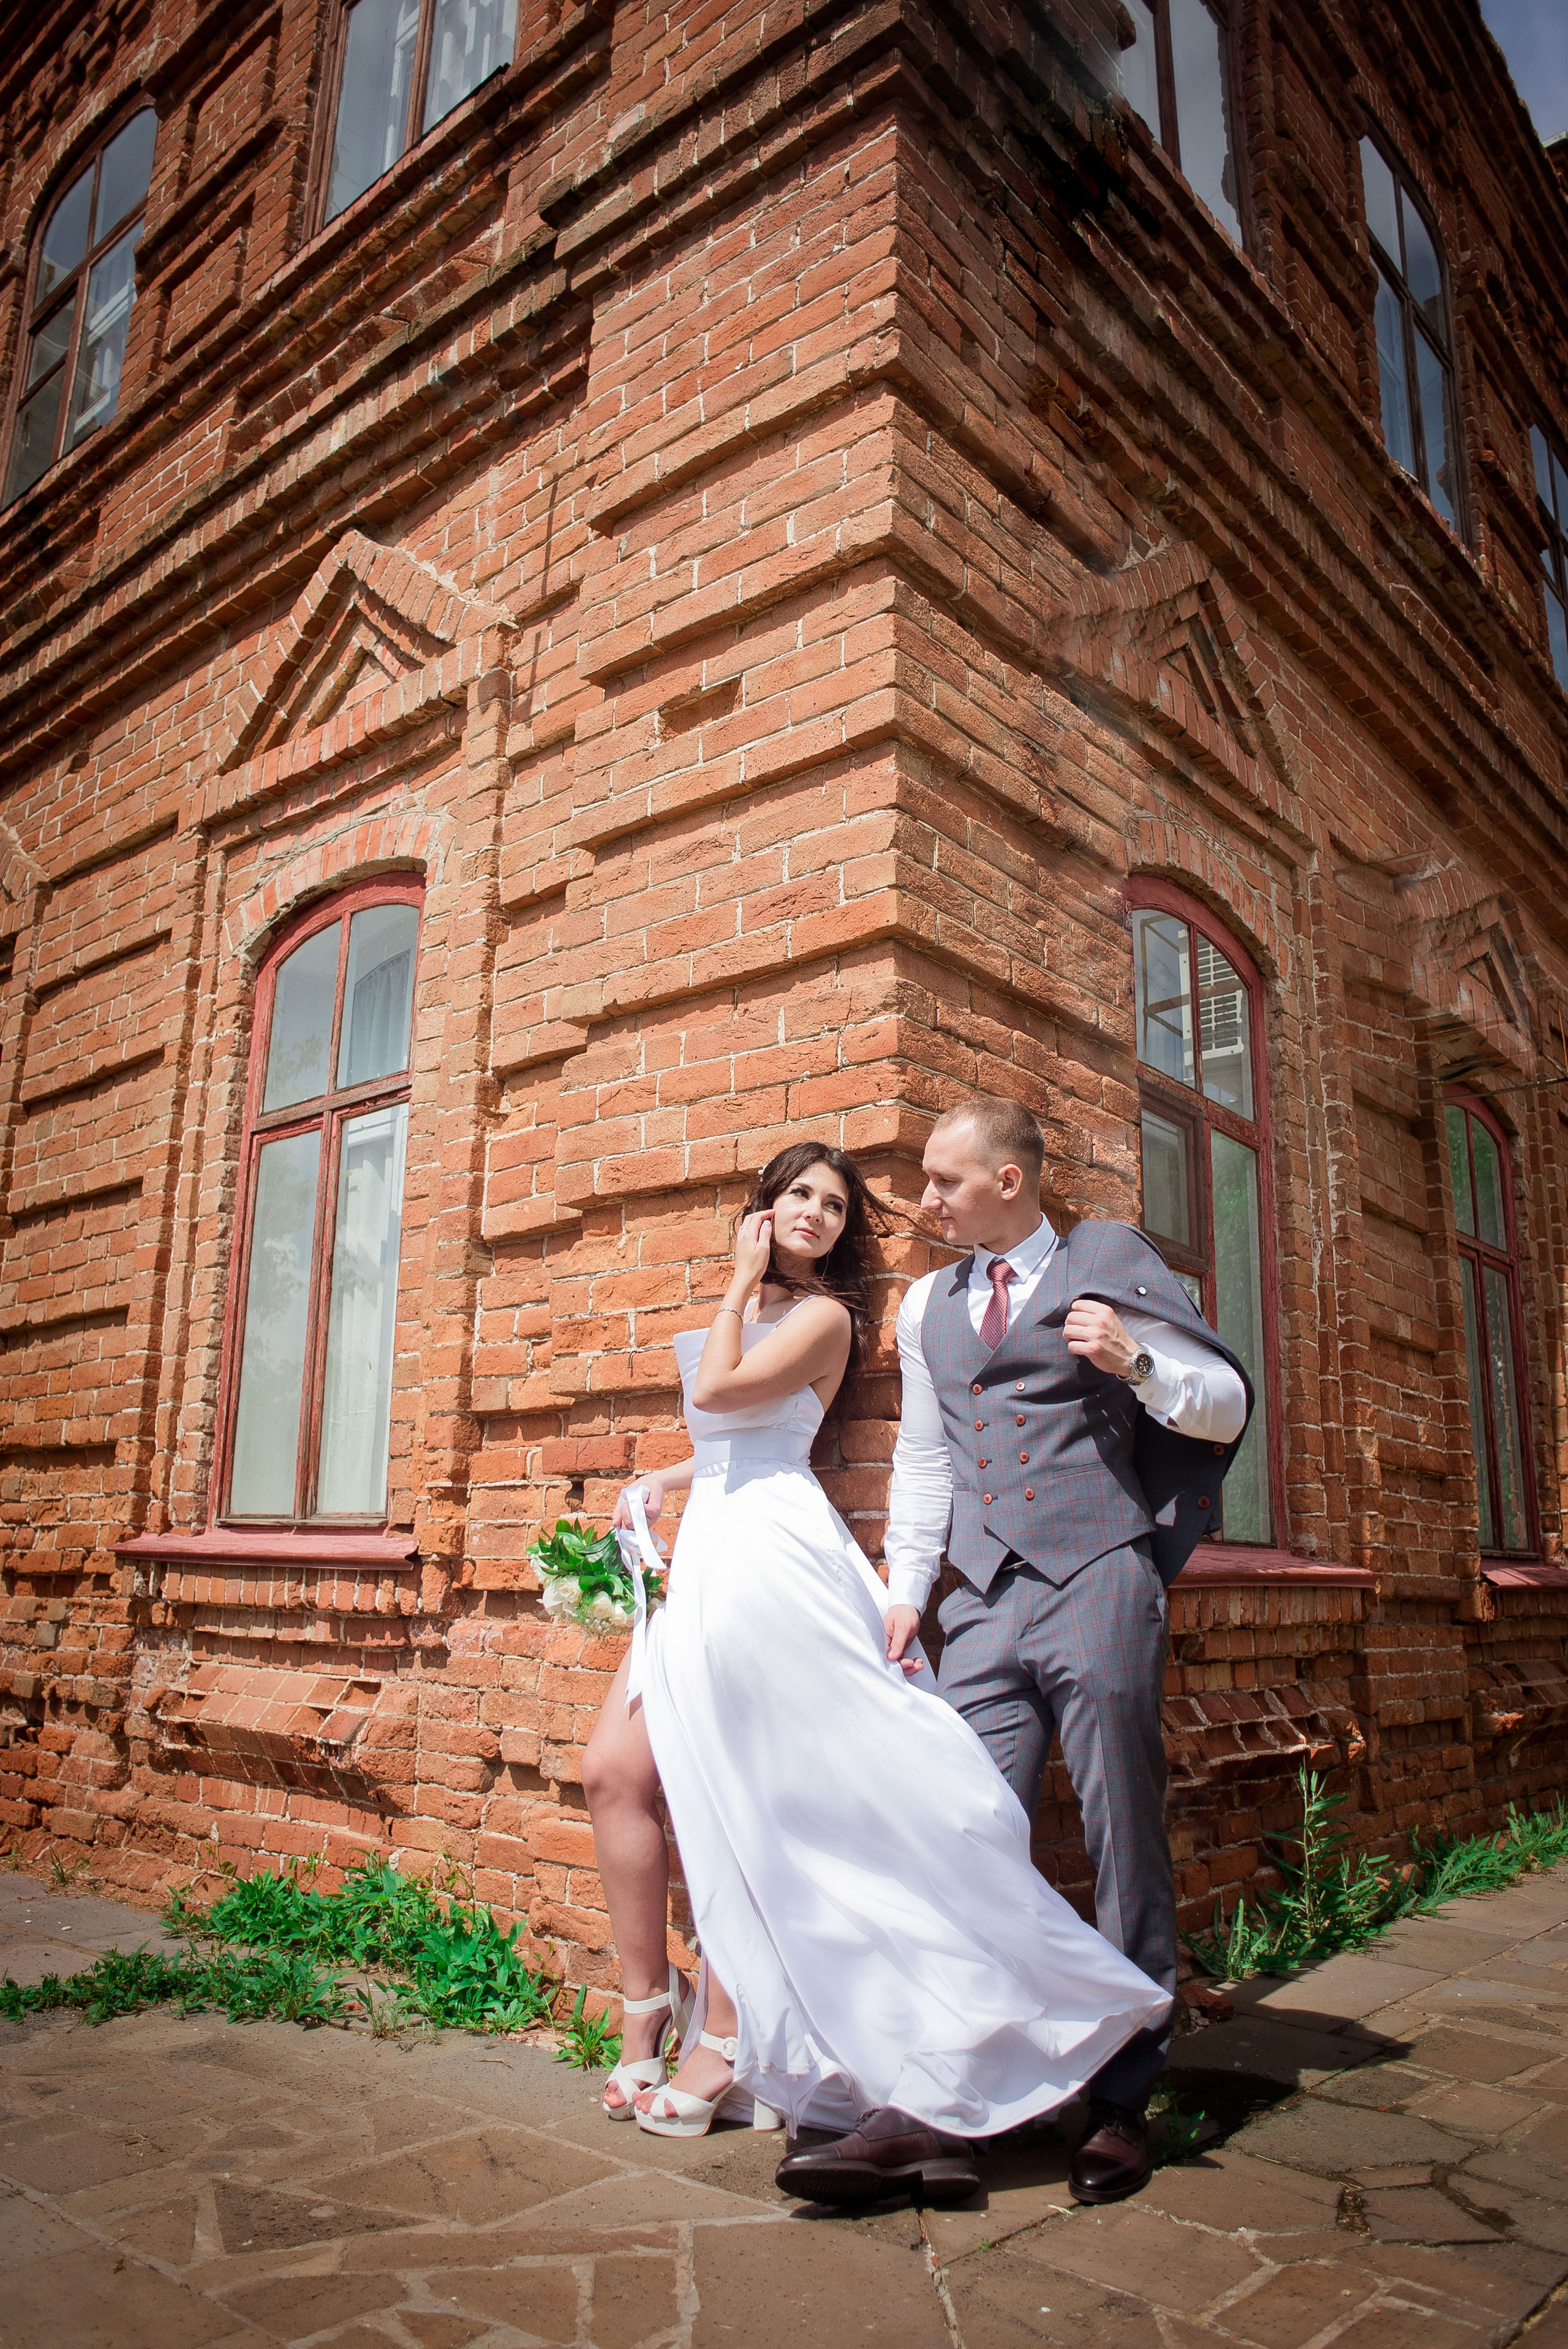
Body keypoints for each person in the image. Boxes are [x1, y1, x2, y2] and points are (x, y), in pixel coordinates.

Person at [581, 1139, 1171, 2202]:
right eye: (798, 1196)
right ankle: (664, 2013)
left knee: (758, 1793)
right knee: (632, 1774)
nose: (816, 1214)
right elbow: (729, 1436)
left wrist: (732, 1283)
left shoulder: (819, 1314)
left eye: (834, 1206)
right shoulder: (775, 1310)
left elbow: (720, 1389)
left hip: (772, 1559)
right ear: (762, 1203)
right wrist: (665, 1479)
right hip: (710, 1541)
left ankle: (739, 2042)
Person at [821, 1095, 1251, 2206]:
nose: (926, 1200)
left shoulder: (1109, 1260)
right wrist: (906, 1594)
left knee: (1120, 1827)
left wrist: (1138, 1367)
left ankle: (1120, 2100)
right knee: (959, 1835)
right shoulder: (930, 1305)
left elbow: (1225, 1400)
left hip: (1100, 1574)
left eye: (945, 1182)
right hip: (984, 1599)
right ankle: (941, 2101)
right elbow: (925, 1458)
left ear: (1010, 1182)